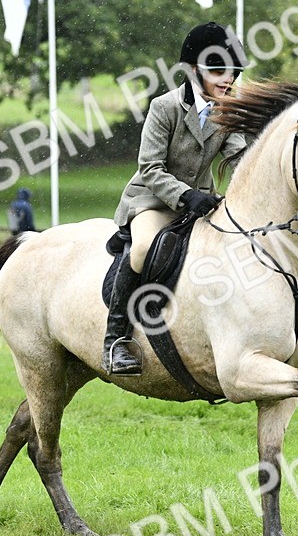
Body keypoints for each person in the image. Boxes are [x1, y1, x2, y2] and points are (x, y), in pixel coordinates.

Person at [104, 22, 248, 375]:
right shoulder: (164, 107)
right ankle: (115, 340)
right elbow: (150, 168)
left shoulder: (226, 109)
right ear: (194, 70)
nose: (226, 79)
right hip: (152, 200)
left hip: (202, 202)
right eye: (217, 71)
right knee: (141, 248)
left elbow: (237, 156)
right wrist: (187, 196)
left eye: (233, 72)